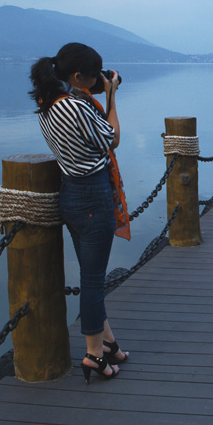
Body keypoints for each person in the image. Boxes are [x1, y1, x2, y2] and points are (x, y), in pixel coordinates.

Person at [29, 42, 130, 384]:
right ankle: (94, 356)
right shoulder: (77, 107)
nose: (97, 80)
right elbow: (112, 138)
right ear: (77, 77)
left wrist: (96, 88)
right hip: (93, 196)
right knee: (92, 283)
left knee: (91, 276)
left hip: (71, 194)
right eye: (92, 76)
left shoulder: (48, 106)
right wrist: (112, 95)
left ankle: (110, 344)